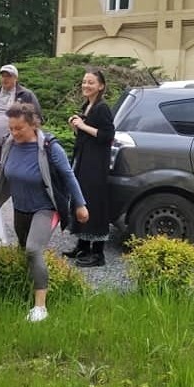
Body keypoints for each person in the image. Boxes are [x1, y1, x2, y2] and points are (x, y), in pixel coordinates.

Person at [0, 102, 88, 323]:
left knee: (32, 250)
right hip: (20, 207)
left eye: (19, 128)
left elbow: (69, 176)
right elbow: (9, 161)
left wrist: (80, 205)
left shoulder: (50, 147)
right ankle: (26, 287)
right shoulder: (10, 143)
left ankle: (40, 308)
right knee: (24, 251)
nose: (14, 132)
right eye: (11, 128)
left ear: (33, 124)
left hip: (46, 208)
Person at [63, 68, 115, 267]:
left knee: (94, 203)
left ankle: (98, 254)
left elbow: (107, 135)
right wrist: (77, 126)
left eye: (91, 82)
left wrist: (83, 126)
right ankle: (83, 246)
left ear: (100, 86)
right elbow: (87, 135)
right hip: (83, 160)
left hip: (95, 165)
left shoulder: (102, 107)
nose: (86, 85)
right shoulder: (87, 105)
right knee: (80, 200)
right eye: (84, 81)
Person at [0, 64, 41, 163]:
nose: (5, 79)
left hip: (15, 144)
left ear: (15, 78)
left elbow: (37, 118)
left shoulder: (26, 95)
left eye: (9, 76)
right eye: (3, 76)